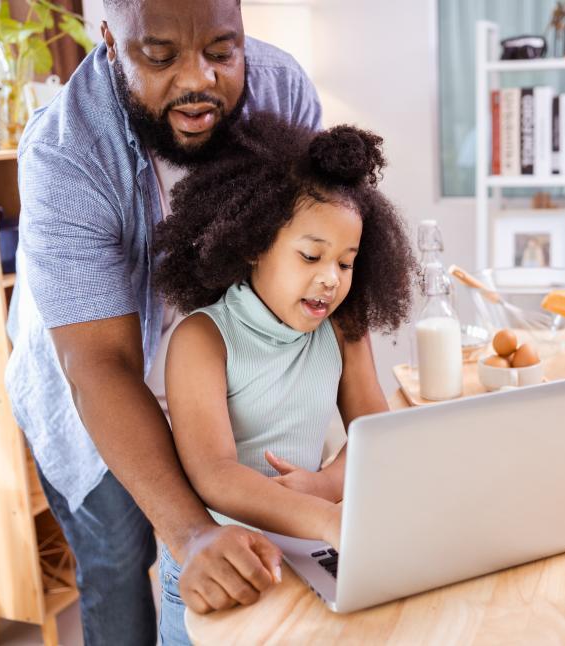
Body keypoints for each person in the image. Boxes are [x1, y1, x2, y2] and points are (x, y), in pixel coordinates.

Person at [5, 0, 321, 642]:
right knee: (121, 569)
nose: (197, 79)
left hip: (220, 389)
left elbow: (327, 249)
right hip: (96, 401)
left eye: (221, 50)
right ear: (110, 43)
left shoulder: (281, 89)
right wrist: (192, 531)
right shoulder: (65, 153)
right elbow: (100, 364)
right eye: (160, 55)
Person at [149, 112, 417, 644]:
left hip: (305, 549)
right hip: (221, 567)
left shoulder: (343, 327)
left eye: (347, 262)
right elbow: (215, 474)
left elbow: (376, 437)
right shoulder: (202, 340)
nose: (330, 279)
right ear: (252, 242)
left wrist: (324, 488)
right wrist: (320, 514)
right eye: (311, 255)